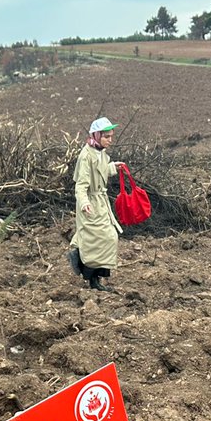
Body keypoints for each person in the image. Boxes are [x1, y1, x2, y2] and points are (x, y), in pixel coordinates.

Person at [67, 117, 126, 291]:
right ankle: (83, 265)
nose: (110, 140)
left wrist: (113, 167)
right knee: (103, 238)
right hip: (91, 204)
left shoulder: (99, 153)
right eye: (106, 136)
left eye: (111, 136)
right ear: (97, 135)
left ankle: (83, 262)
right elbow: (81, 186)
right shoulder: (86, 156)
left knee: (103, 239)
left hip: (100, 202)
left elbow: (100, 171)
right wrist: (84, 203)